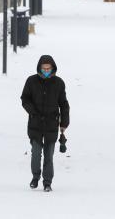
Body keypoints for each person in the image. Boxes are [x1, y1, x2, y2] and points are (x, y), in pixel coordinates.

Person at [20, 54, 70, 192]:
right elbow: (25, 99)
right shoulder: (31, 81)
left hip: (51, 124)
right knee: (36, 153)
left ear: (53, 68)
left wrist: (64, 123)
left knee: (49, 155)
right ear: (39, 68)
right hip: (35, 124)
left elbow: (64, 104)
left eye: (48, 68)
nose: (46, 71)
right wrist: (32, 111)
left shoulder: (59, 83)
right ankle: (35, 177)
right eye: (44, 68)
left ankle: (47, 182)